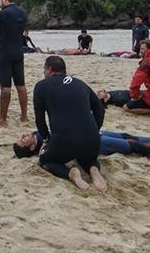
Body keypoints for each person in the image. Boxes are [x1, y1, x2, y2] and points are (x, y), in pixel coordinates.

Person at [31, 56, 106, 191]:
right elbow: (99, 109)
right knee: (87, 157)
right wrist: (95, 129)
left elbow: (40, 120)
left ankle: (70, 174)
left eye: (44, 70)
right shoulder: (80, 83)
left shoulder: (41, 86)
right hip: (92, 141)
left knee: (45, 160)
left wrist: (47, 138)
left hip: (64, 142)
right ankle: (93, 169)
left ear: (49, 69)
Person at [14, 130, 150, 160]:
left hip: (92, 132)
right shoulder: (45, 149)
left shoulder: (40, 133)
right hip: (95, 144)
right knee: (133, 147)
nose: (23, 135)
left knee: (127, 136)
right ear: (31, 148)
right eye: (23, 140)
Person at [0, 0, 29, 126]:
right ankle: (24, 116)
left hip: (4, 53)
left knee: (5, 87)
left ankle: (3, 119)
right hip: (18, 51)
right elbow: (23, 30)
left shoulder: (2, 13)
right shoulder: (23, 12)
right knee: (21, 85)